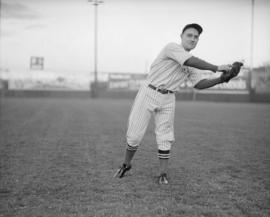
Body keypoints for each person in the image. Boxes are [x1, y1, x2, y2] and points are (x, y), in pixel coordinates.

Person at [114, 23, 233, 184]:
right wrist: (217, 67)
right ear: (181, 36)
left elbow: (199, 84)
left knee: (165, 136)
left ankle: (162, 173)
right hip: (149, 92)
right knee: (134, 135)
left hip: (169, 97)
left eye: (196, 37)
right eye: (189, 35)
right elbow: (190, 60)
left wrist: (221, 79)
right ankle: (126, 164)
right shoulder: (172, 48)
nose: (193, 38)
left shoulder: (192, 63)